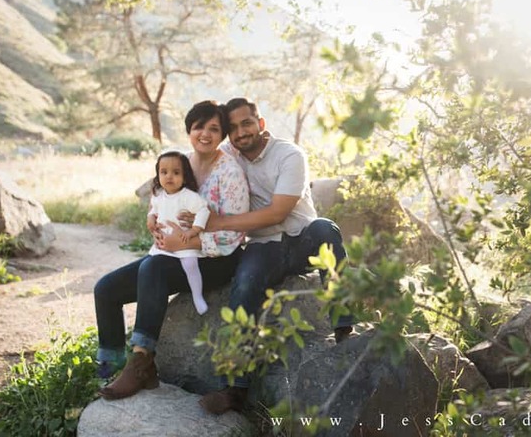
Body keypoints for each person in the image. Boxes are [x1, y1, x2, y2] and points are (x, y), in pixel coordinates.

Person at [197, 97, 354, 415]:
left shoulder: (290, 154)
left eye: (246, 123)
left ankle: (344, 329)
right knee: (244, 285)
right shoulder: (229, 155)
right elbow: (197, 164)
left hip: (302, 239)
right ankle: (235, 389)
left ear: (261, 123)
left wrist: (222, 223)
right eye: (233, 128)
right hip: (262, 247)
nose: (241, 133)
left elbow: (278, 212)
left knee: (327, 228)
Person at [94, 100, 249, 400]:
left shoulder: (230, 173)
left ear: (223, 134)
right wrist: (152, 219)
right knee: (106, 289)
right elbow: (158, 197)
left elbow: (234, 234)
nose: (205, 134)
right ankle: (111, 367)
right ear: (189, 130)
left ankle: (140, 363)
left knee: (152, 268)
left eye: (214, 128)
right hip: (172, 254)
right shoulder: (180, 162)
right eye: (198, 127)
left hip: (218, 259)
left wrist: (189, 242)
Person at [147, 150, 211, 315]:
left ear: (185, 176)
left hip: (184, 242)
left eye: (176, 173)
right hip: (163, 244)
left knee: (190, 264)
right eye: (164, 172)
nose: (169, 177)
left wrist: (194, 230)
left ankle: (197, 296)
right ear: (158, 175)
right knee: (151, 267)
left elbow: (204, 210)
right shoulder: (159, 196)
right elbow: (154, 209)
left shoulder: (189, 196)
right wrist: (150, 218)